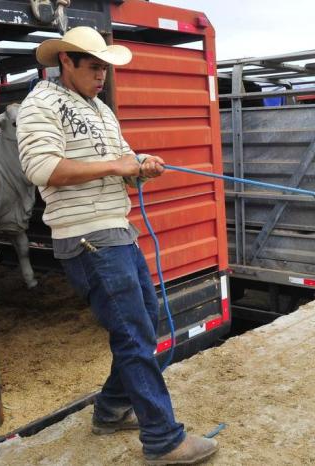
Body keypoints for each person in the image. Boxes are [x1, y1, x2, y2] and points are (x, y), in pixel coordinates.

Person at [17, 26, 218, 465]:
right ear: (65, 62)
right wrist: (118, 164)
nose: (102, 74)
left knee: (144, 323)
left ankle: (110, 410)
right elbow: (41, 168)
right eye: (94, 66)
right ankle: (164, 439)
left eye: (105, 67)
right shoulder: (41, 104)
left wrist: (140, 167)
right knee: (134, 333)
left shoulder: (101, 110)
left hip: (114, 229)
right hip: (88, 234)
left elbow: (119, 162)